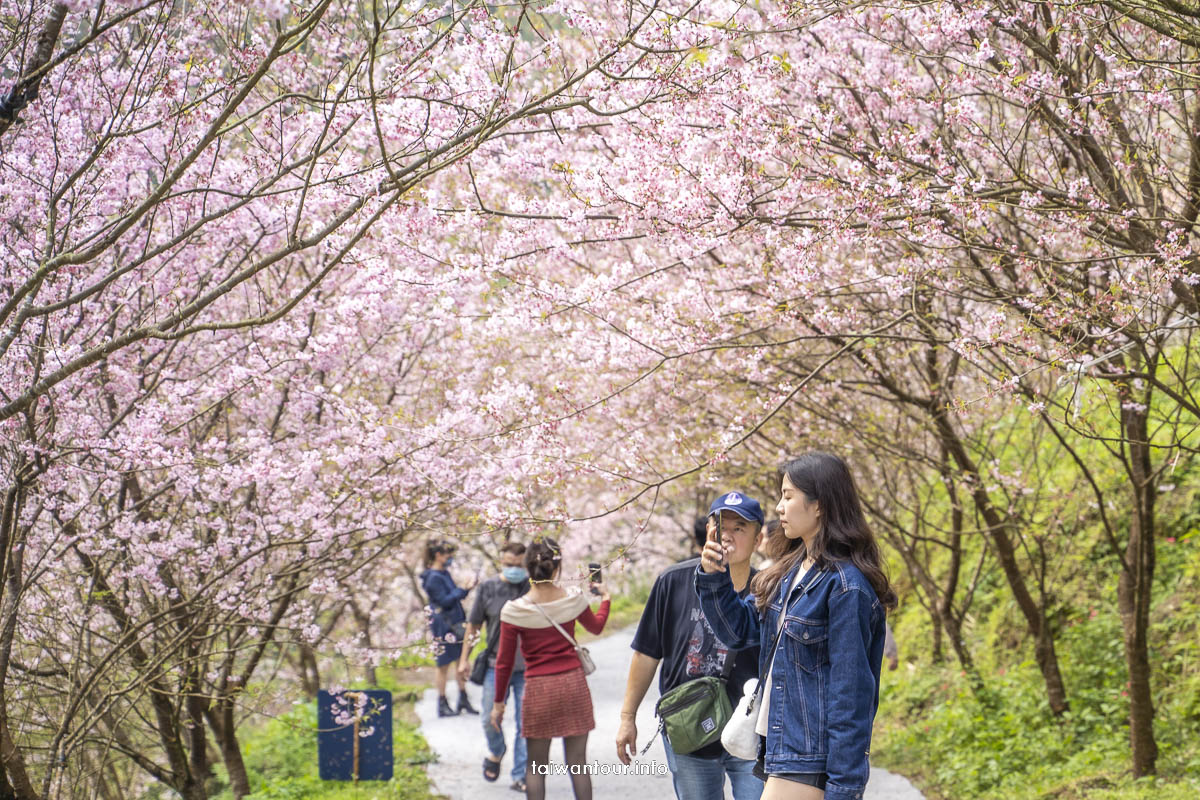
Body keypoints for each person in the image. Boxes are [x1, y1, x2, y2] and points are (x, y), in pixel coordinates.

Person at [696, 453, 898, 800]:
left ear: (818, 505)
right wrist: (714, 578)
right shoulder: (791, 572)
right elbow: (740, 631)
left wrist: (844, 788)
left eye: (788, 496)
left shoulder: (846, 587)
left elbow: (851, 696)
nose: (778, 507)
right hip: (781, 747)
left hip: (809, 758)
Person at [616, 491, 766, 800]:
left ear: (758, 539)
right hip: (689, 729)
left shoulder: (768, 589)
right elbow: (646, 652)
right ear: (709, 530)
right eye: (721, 526)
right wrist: (627, 718)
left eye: (740, 528)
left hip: (750, 732)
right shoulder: (672, 581)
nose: (728, 536)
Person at [490, 538, 610, 800]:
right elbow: (597, 627)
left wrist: (498, 703)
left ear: (527, 568)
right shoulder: (573, 601)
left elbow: (504, 663)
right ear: (557, 568)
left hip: (538, 690)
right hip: (573, 685)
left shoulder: (513, 611)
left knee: (535, 768)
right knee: (578, 764)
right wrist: (606, 599)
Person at [459, 541, 531, 791]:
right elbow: (474, 625)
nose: (513, 569)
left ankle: (520, 775)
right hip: (495, 665)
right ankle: (497, 750)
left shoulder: (533, 586)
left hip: (528, 667)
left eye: (518, 565)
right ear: (501, 562)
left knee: (527, 724)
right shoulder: (489, 588)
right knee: (489, 719)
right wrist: (463, 659)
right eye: (508, 564)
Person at [421, 539, 479, 717]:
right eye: (448, 555)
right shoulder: (432, 578)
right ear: (438, 555)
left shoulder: (444, 574)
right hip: (443, 625)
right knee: (443, 664)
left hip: (454, 620)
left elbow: (454, 597)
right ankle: (442, 701)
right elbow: (445, 601)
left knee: (460, 660)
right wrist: (462, 589)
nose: (450, 558)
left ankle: (463, 697)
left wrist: (466, 589)